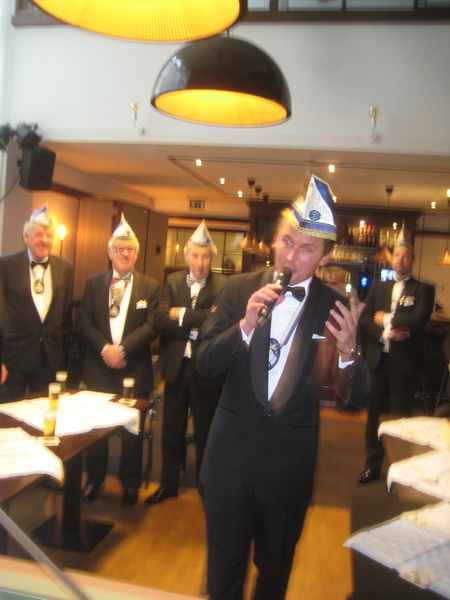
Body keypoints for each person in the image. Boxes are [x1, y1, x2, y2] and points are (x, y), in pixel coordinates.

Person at [195, 175, 364, 600]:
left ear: (325, 257)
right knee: (223, 573)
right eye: (287, 241)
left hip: (288, 468)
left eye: (307, 248)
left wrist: (348, 353)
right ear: (274, 240)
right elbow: (204, 365)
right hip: (229, 461)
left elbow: (353, 400)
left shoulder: (336, 308)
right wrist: (244, 326)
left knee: (274, 576)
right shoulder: (237, 289)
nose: (292, 256)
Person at [78, 214, 160, 506]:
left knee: (131, 430)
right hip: (98, 368)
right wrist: (106, 349)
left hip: (134, 369)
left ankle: (130, 482)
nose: (125, 254)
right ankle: (94, 479)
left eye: (130, 249)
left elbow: (152, 326)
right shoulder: (94, 283)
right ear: (109, 252)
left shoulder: (151, 286)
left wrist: (122, 350)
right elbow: (83, 323)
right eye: (120, 249)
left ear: (137, 254)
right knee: (97, 428)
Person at [145, 220, 228, 505]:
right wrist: (197, 324)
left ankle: (205, 487)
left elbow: (219, 322)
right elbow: (159, 319)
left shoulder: (223, 285)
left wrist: (180, 314)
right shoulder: (172, 281)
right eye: (195, 256)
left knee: (206, 431)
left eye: (205, 257)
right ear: (187, 256)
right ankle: (168, 484)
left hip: (206, 369)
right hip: (176, 368)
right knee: (171, 430)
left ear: (212, 258)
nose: (200, 263)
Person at [356, 224, 435, 484]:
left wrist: (386, 319)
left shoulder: (423, 289)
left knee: (401, 416)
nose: (401, 260)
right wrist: (386, 334)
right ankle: (372, 464)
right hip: (378, 360)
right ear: (392, 259)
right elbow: (365, 320)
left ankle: (400, 467)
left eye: (406, 256)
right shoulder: (378, 287)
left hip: (405, 363)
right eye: (397, 255)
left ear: (412, 260)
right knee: (373, 415)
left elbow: (418, 319)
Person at [0, 206, 73, 403]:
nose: (44, 240)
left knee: (44, 410)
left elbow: (63, 310)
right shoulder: (5, 265)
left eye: (49, 235)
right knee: (8, 412)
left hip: (49, 358)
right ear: (26, 237)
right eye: (38, 234)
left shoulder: (65, 268)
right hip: (13, 358)